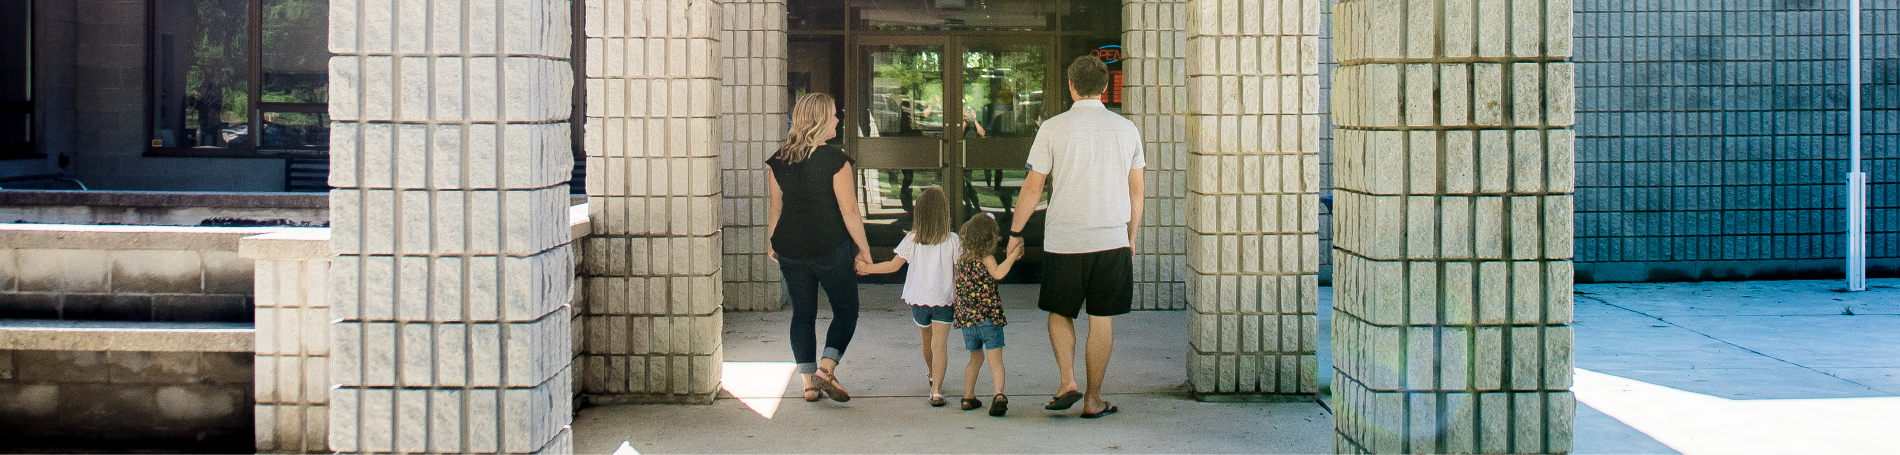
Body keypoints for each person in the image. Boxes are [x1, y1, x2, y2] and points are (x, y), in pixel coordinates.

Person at [1004, 56, 1145, 419]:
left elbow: (1033, 187)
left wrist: (1016, 233)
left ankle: (1067, 380)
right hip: (1111, 237)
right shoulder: (1126, 129)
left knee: (1059, 311)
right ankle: (1093, 399)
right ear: (1105, 87)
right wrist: (1131, 236)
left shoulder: (1052, 128)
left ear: (1070, 85)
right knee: (1102, 318)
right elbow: (1137, 193)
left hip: (1065, 238)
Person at [768, 93, 874, 403]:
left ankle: (808, 385)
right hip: (829, 247)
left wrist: (771, 243)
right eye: (833, 116)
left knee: (802, 313)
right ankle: (826, 369)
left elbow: (776, 210)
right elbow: (850, 212)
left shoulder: (779, 159)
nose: (837, 120)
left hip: (789, 247)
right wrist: (864, 249)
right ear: (818, 121)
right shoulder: (834, 159)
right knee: (846, 309)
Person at [855, 187, 960, 407]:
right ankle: (937, 390)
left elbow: (893, 266)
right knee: (940, 345)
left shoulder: (912, 240)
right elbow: (960, 272)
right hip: (944, 298)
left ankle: (932, 374)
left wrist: (867, 267)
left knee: (927, 341)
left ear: (918, 213)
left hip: (918, 299)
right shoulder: (953, 240)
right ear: (944, 213)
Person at [951, 212, 1023, 416]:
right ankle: (999, 394)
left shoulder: (961, 262)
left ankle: (968, 397)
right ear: (990, 238)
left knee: (974, 359)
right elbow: (999, 273)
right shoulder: (987, 259)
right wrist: (1013, 256)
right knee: (995, 360)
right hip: (989, 319)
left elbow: (956, 292)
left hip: (968, 322)